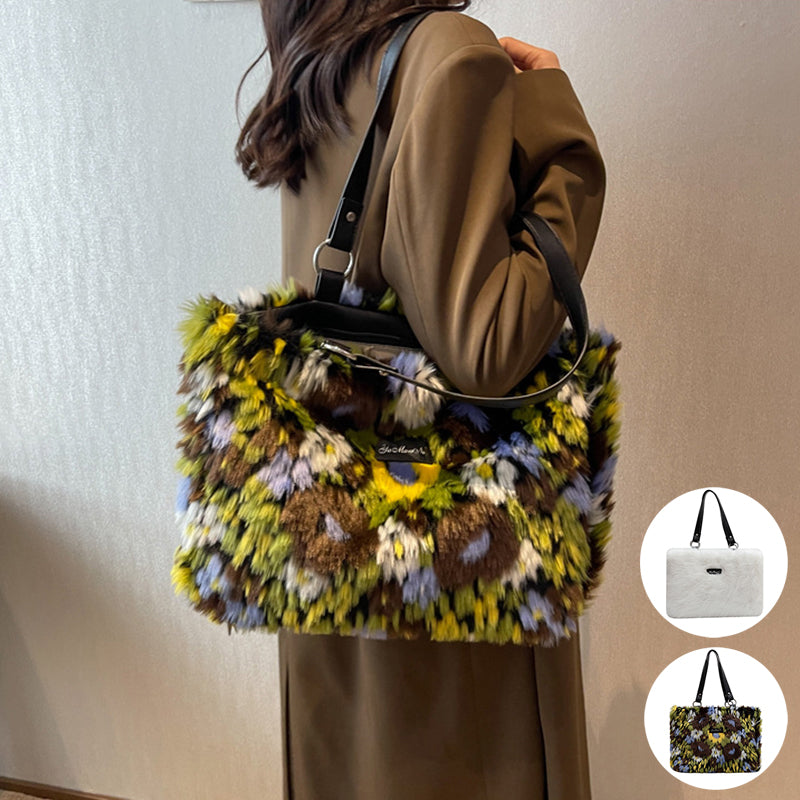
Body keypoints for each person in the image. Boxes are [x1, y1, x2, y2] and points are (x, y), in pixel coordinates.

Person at [235, 2, 606, 798]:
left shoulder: (321, 59)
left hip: (330, 541)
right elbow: (488, 350)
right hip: (451, 580)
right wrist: (564, 147)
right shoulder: (449, 55)